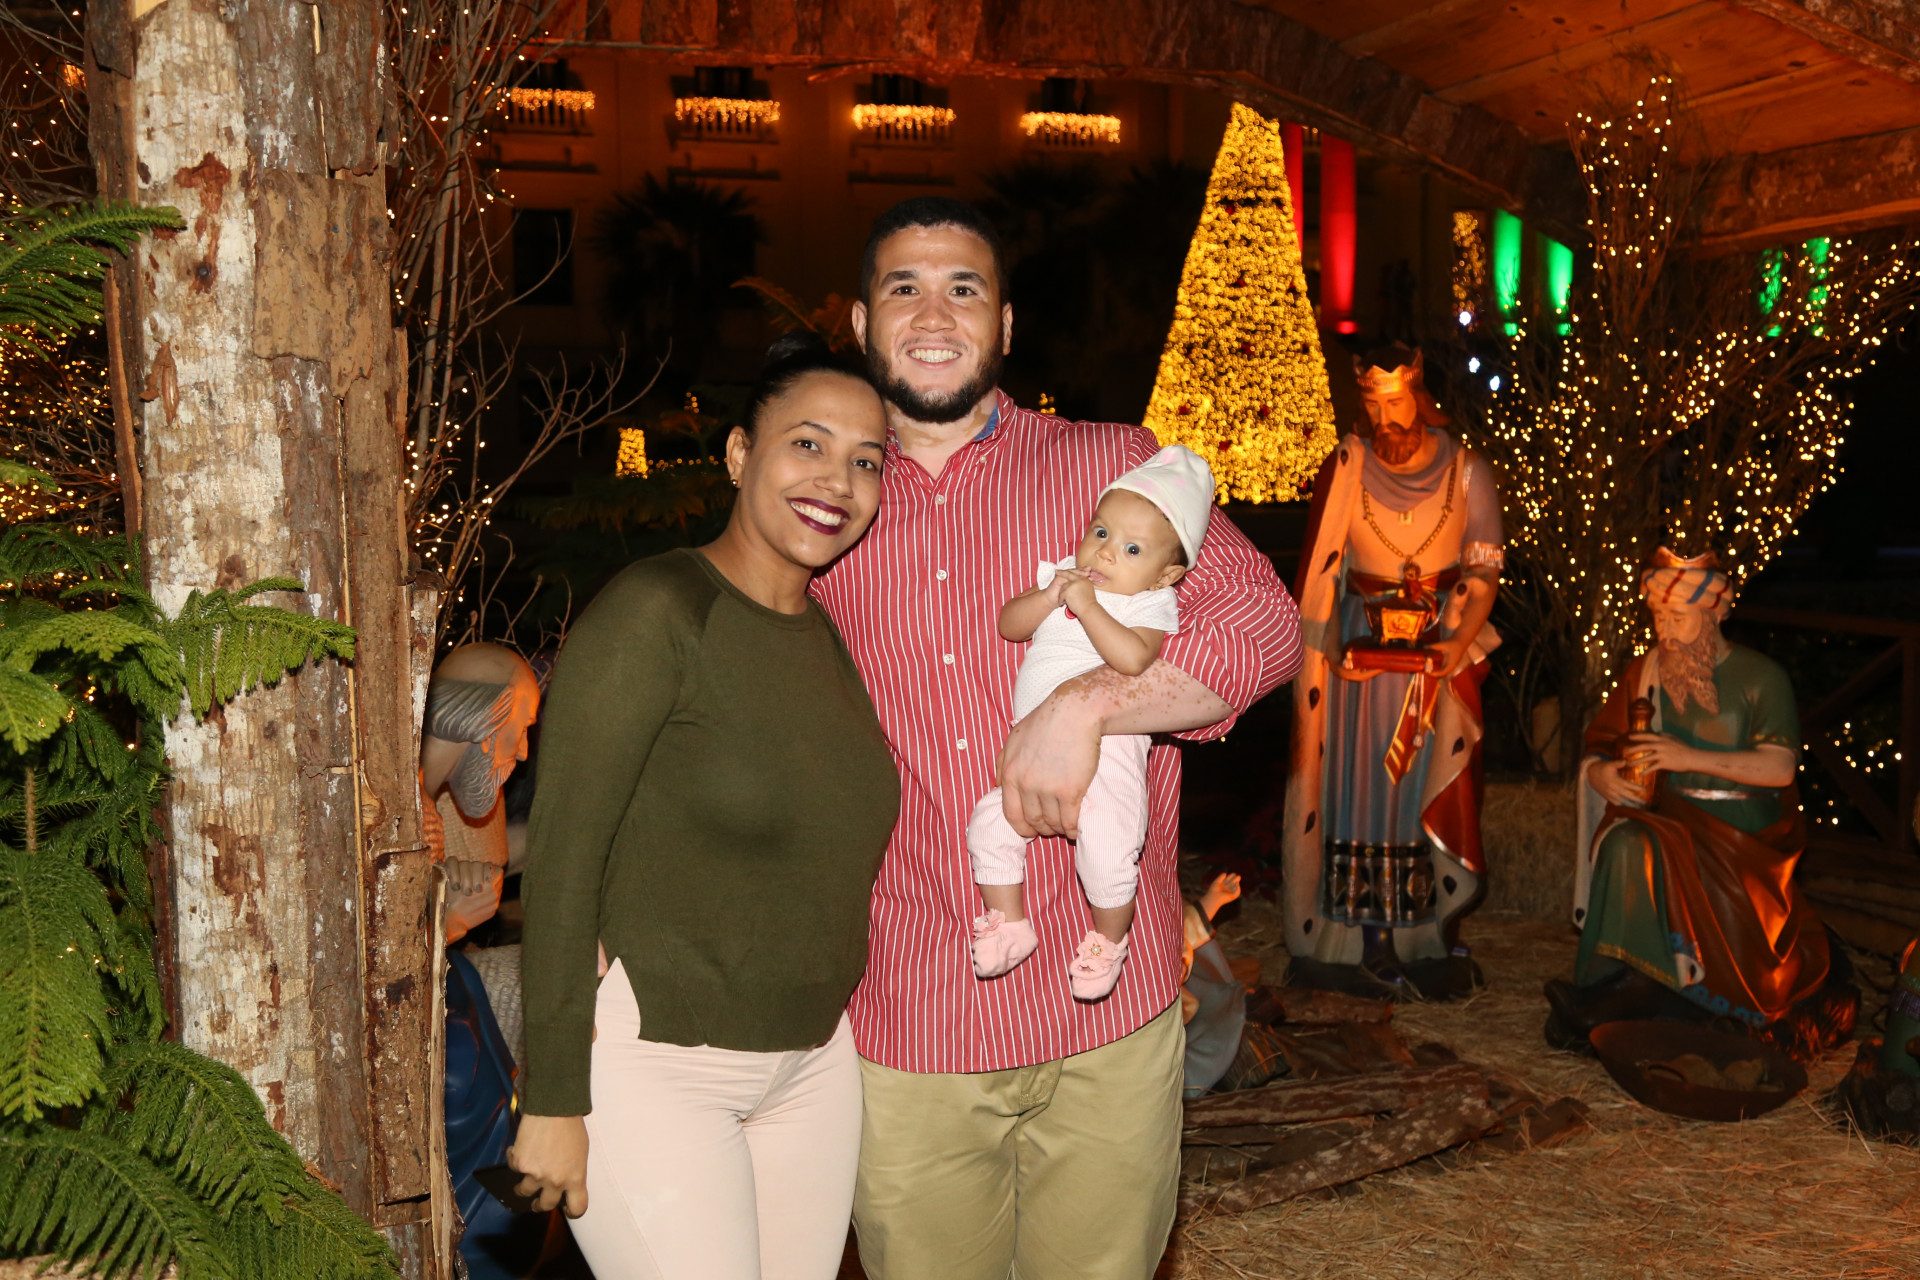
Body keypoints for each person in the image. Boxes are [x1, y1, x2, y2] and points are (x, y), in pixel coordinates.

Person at [808, 196, 1302, 1280]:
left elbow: (1266, 625)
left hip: (1108, 1020)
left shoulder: (1113, 468)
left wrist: (1085, 706)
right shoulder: (821, 500)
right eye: (903, 287)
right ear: (860, 321)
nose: (933, 313)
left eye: (964, 288)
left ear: (1005, 323)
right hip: (912, 1016)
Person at [505, 337, 901, 1280]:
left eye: (865, 462)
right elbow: (563, 858)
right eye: (807, 444)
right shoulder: (658, 609)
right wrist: (554, 1098)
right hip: (657, 1068)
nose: (837, 481)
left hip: (814, 1067)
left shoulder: (830, 635)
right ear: (737, 454)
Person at [1282, 342, 1503, 1001]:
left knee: (1423, 789)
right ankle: (1364, 938)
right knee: (1362, 790)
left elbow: (1483, 569)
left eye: (1397, 402)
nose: (1386, 419)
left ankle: (1424, 934)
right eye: (1373, 406)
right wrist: (1329, 649)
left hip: (1435, 657)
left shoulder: (1468, 473)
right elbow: (1324, 570)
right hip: (1360, 660)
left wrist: (1454, 642)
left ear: (1420, 395)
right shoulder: (1347, 466)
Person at [1549, 548, 1838, 1049]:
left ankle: (1647, 995)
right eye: (1658, 618)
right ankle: (1620, 982)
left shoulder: (1761, 678)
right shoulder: (1645, 673)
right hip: (1667, 816)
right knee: (1624, 843)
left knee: (1660, 850)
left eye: (1678, 618)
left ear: (1715, 613)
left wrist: (1686, 758)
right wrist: (1599, 774)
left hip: (1741, 836)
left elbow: (1779, 767)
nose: (1665, 632)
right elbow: (1602, 741)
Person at [967, 445, 1214, 1000]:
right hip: (1030, 746)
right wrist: (1049, 595)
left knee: (1107, 847)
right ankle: (1009, 924)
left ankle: (1108, 941)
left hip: (1112, 747)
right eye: (1100, 532)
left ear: (1165, 574)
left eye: (1131, 549)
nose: (1104, 552)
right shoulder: (1065, 578)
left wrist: (1088, 607)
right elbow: (1009, 625)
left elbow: (1132, 660)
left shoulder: (1147, 604)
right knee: (988, 824)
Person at [420, 643, 542, 943]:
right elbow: (372, 955)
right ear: (489, 722)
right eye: (522, 728)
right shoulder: (401, 814)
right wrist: (452, 920)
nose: (523, 751)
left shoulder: (423, 809)